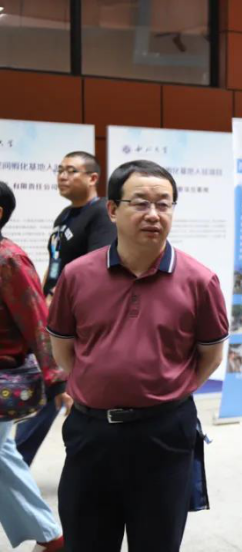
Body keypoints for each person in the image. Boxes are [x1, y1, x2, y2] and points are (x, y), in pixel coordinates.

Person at [47, 160, 229, 552]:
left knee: (157, 542)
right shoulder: (78, 275)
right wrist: (95, 383)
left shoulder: (199, 280)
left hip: (163, 434)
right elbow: (63, 346)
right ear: (113, 209)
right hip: (91, 432)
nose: (153, 214)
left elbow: (210, 356)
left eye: (164, 204)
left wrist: (166, 390)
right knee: (86, 541)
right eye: (141, 203)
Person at [15, 151, 116, 466]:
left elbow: (94, 268)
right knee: (54, 389)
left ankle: (15, 464)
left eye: (71, 170)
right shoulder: (63, 216)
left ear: (93, 178)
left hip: (76, 322)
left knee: (57, 388)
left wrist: (55, 301)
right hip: (53, 317)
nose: (62, 176)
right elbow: (56, 263)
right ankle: (17, 463)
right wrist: (39, 298)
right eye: (59, 170)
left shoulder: (100, 214)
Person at [0, 181, 68, 552]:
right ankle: (49, 535)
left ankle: (50, 535)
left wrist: (57, 379)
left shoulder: (9, 259)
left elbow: (37, 321)